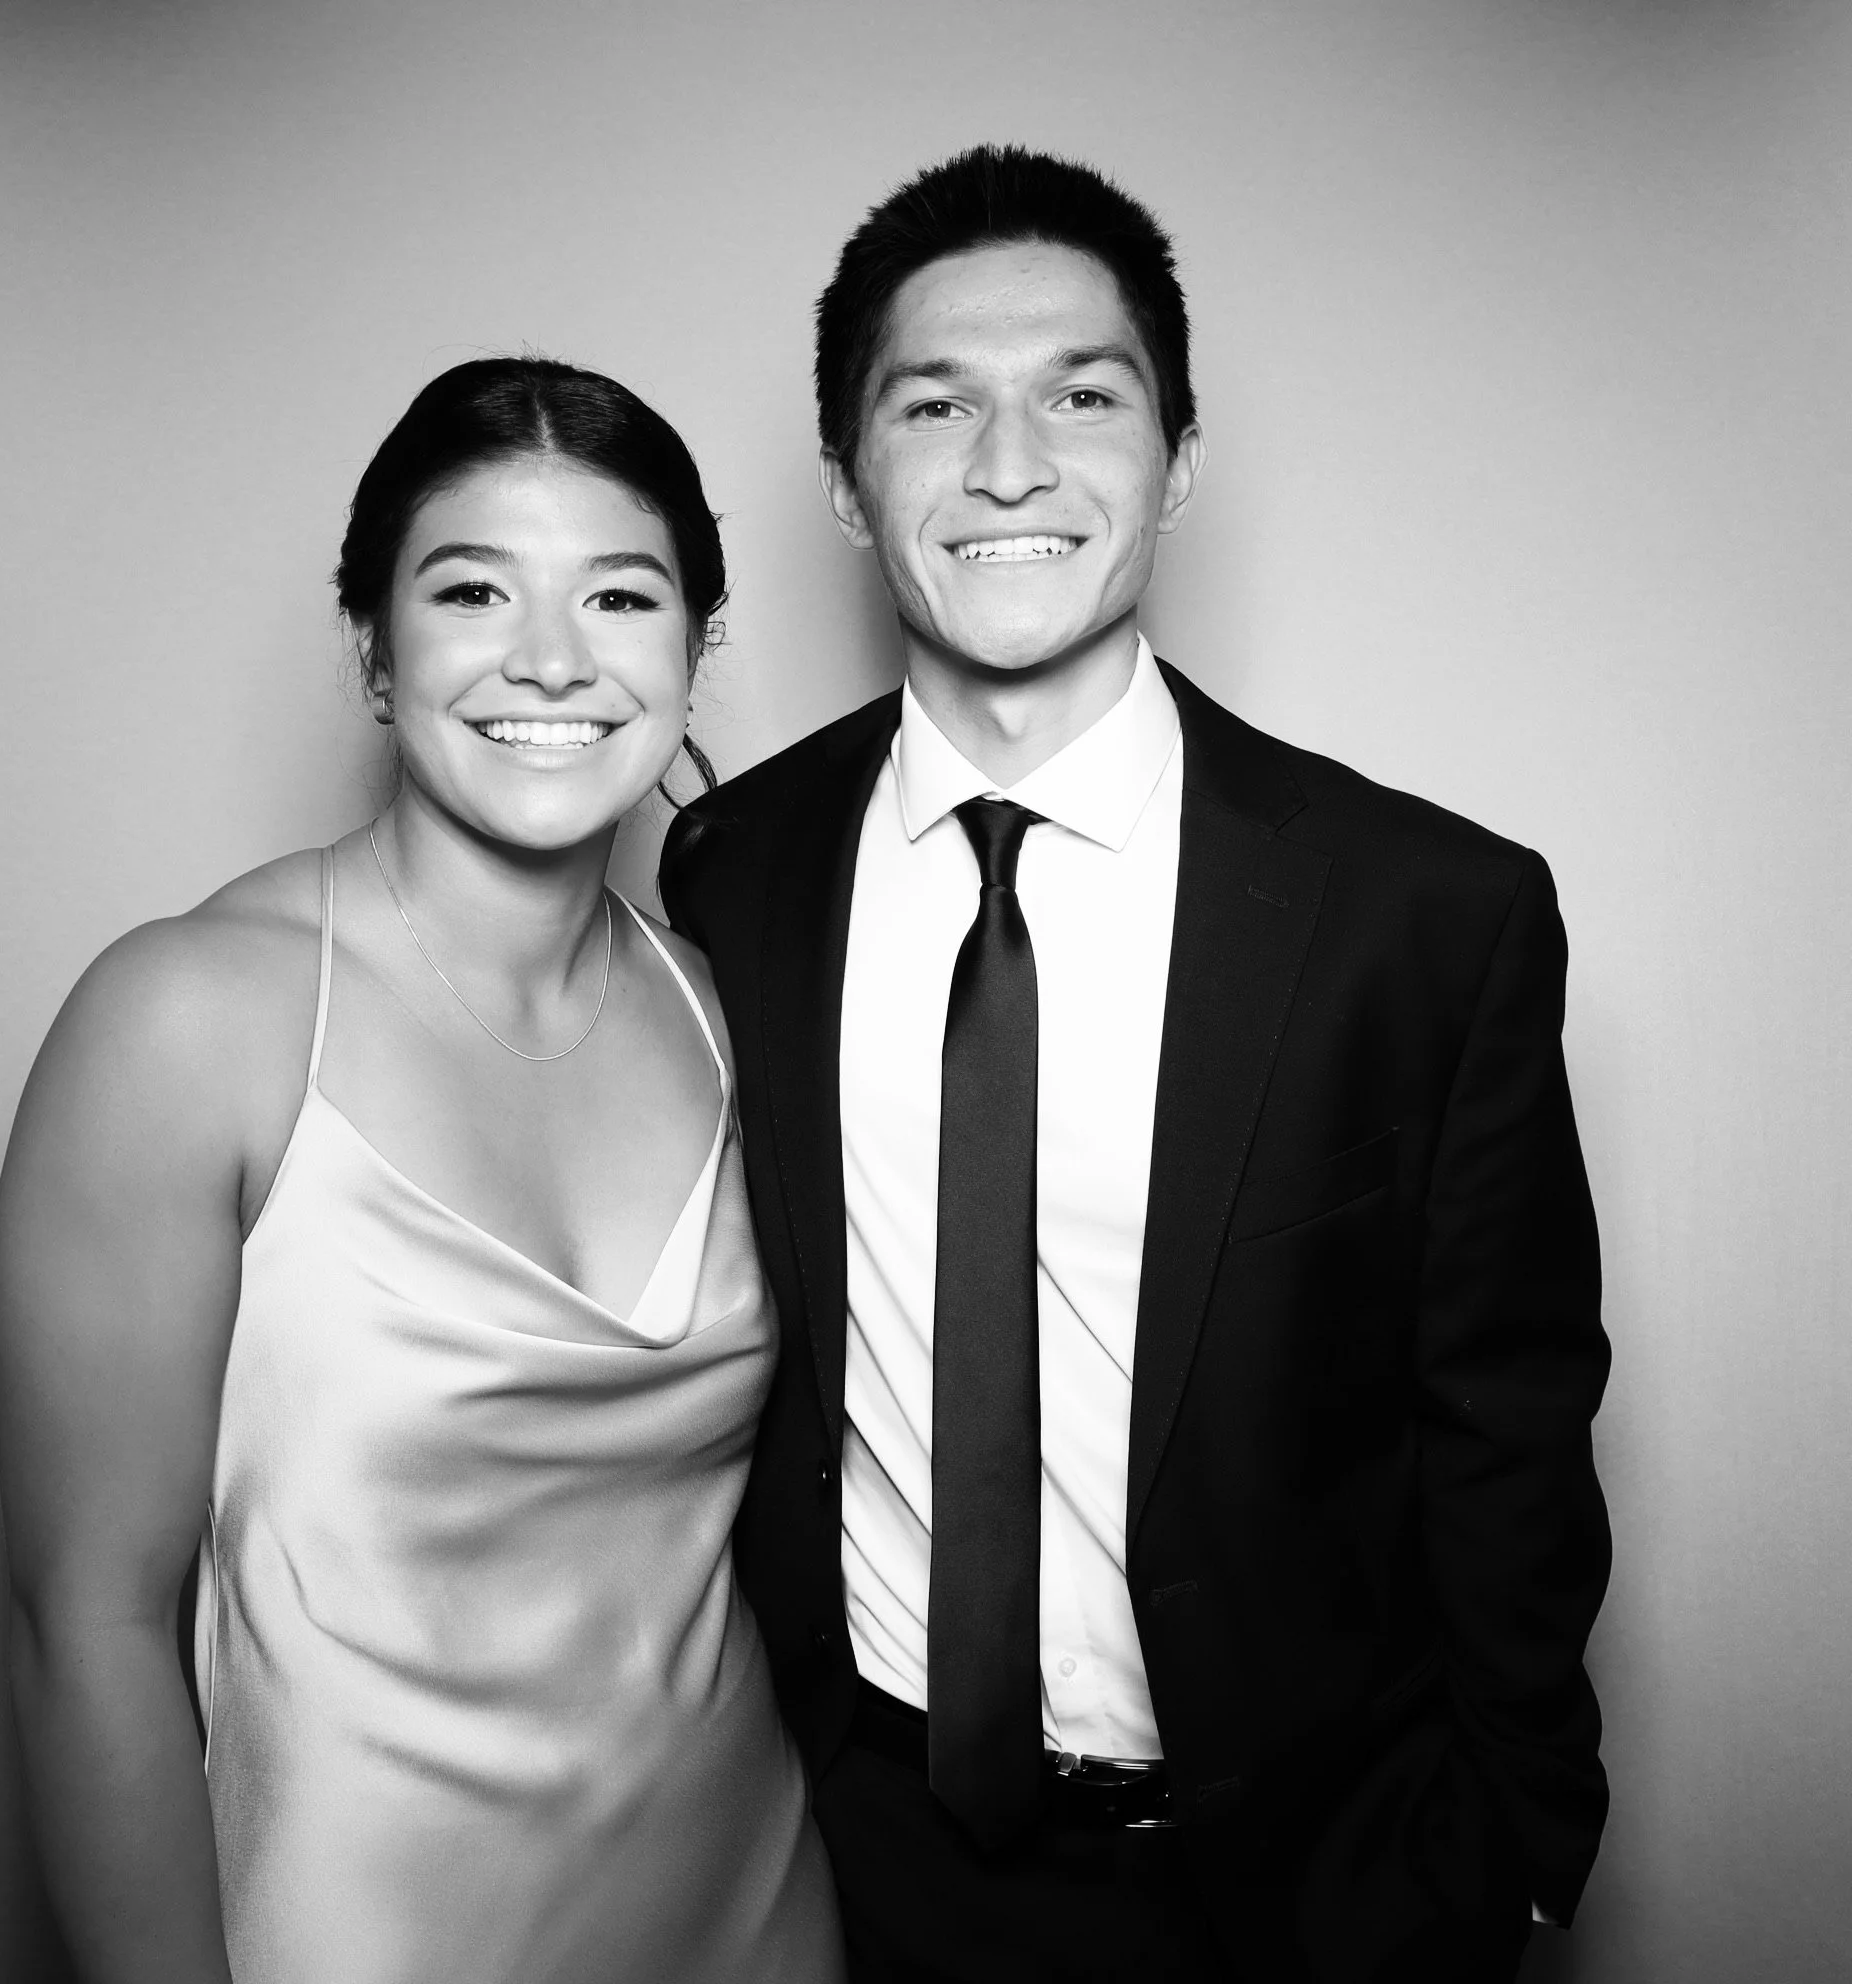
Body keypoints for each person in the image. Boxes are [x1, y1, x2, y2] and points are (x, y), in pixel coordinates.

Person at [661, 146, 1611, 1982]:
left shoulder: (1429, 911)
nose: (1008, 464)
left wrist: (1518, 1851)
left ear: (1177, 456)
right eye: (934, 405)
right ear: (853, 488)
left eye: (1081, 397)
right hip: (862, 1856)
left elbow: (1510, 1417)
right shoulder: (735, 867)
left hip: (1317, 1883)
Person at [0, 357, 843, 1984]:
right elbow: (80, 1622)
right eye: (470, 590)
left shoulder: (730, 1013)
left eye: (620, 596)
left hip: (756, 1914)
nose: (548, 658)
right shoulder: (190, 1019)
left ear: (694, 651)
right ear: (375, 653)